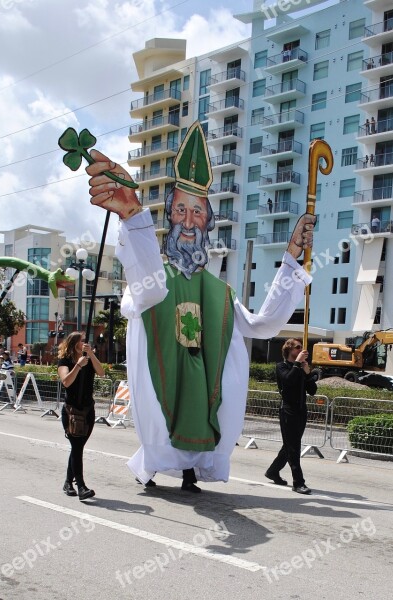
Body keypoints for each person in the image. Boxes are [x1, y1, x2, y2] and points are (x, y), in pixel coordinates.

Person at [86, 121, 315, 493]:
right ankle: (151, 468)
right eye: (180, 211)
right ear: (170, 216)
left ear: (207, 221)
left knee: (198, 413)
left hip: (202, 382)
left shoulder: (219, 292)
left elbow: (263, 325)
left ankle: (189, 473)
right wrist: (133, 218)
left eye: (197, 212)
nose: (189, 222)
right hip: (169, 376)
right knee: (167, 416)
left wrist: (291, 259)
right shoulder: (158, 279)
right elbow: (146, 294)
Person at [265, 338, 317, 494]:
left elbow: (313, 390)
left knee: (289, 446)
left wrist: (307, 374)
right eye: (298, 348)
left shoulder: (299, 368)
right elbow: (287, 380)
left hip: (301, 410)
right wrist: (297, 364)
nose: (301, 350)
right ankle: (298, 482)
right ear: (289, 350)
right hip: (288, 411)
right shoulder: (281, 366)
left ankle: (273, 471)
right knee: (293, 448)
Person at [58, 332, 105, 500]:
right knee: (77, 447)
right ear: (74, 344)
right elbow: (66, 382)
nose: (85, 343)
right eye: (82, 341)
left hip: (87, 411)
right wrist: (77, 366)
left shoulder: (88, 359)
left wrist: (91, 355)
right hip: (71, 411)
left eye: (86, 341)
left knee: (77, 448)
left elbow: (101, 372)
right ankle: (81, 486)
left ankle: (67, 482)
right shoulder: (66, 361)